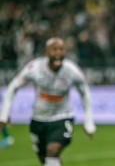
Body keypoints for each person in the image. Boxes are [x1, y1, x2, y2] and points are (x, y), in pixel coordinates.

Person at [0, 37, 96, 166]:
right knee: (46, 159)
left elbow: (85, 94)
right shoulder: (34, 68)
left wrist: (88, 121)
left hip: (62, 117)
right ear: (46, 52)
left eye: (61, 49)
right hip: (38, 119)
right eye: (54, 49)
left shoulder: (72, 70)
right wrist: (4, 115)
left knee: (53, 150)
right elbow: (13, 87)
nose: (58, 53)